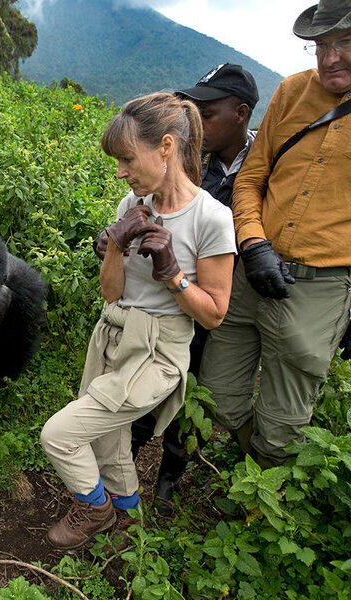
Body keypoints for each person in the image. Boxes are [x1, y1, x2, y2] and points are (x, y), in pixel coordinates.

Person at [40, 92, 237, 550]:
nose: (121, 172)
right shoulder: (132, 203)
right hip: (113, 333)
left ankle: (96, 508)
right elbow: (111, 291)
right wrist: (116, 243)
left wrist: (173, 273)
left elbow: (214, 313)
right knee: (109, 442)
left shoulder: (211, 217)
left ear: (165, 146)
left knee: (60, 435)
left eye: (127, 159)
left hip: (159, 350)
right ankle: (129, 525)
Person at [198, 0, 351, 469]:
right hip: (253, 269)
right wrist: (253, 241)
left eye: (345, 42)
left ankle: (264, 487)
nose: (329, 58)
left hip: (319, 285)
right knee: (217, 396)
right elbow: (251, 178)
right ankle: (255, 460)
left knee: (283, 423)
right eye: (321, 45)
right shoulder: (292, 91)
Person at [129, 64, 260, 512]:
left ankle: (170, 475)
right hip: (174, 299)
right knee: (148, 383)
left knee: (197, 390)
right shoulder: (192, 163)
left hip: (223, 300)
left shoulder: (265, 165)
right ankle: (124, 464)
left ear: (241, 114)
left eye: (208, 113)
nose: (197, 123)